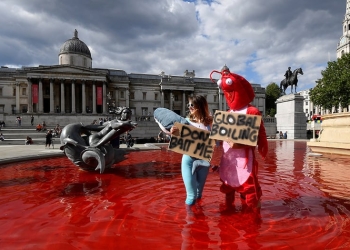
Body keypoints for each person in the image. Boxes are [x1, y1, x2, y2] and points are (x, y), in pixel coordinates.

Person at [210, 65, 268, 212]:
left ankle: (253, 222)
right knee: (228, 190)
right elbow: (219, 139)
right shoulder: (227, 113)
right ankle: (229, 221)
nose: (228, 95)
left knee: (250, 194)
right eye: (226, 92)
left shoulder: (252, 111)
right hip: (228, 160)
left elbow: (254, 138)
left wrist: (235, 143)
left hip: (244, 160)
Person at [170, 95, 213, 206]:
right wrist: (173, 132)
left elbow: (217, 142)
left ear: (200, 106)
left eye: (192, 105)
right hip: (188, 161)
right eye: (188, 105)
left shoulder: (210, 122)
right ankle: (189, 221)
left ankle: (198, 220)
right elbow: (178, 141)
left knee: (199, 195)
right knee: (191, 196)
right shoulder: (185, 121)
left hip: (204, 162)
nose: (189, 107)